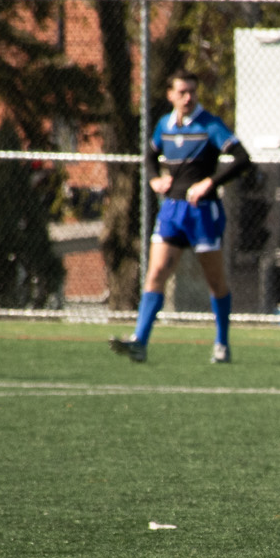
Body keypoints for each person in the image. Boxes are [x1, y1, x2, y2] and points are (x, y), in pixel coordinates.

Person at [111, 71, 251, 364]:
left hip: (203, 212)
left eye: (193, 92)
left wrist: (209, 183)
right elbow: (149, 156)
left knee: (214, 280)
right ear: (170, 94)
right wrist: (153, 180)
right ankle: (140, 341)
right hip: (172, 210)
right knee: (157, 272)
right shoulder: (164, 125)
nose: (188, 98)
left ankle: (222, 343)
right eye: (183, 92)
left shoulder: (209, 125)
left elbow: (241, 158)